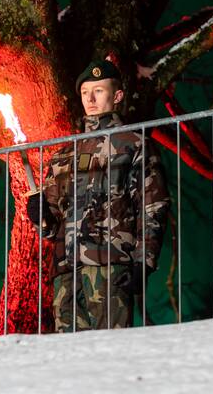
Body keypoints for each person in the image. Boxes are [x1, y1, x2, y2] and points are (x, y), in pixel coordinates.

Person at [27, 61, 169, 332]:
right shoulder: (64, 155)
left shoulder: (133, 144)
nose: (90, 99)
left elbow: (153, 205)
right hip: (66, 272)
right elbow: (50, 225)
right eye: (85, 93)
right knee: (68, 358)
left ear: (117, 96)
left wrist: (144, 261)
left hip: (111, 266)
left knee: (109, 353)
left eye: (99, 91)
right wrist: (40, 215)